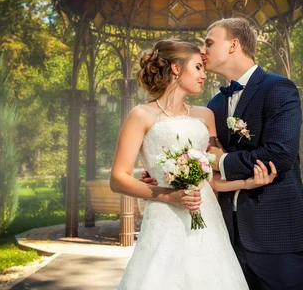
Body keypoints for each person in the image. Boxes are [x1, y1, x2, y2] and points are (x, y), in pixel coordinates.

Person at [110, 39, 277, 290]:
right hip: (164, 217)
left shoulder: (205, 115)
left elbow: (211, 180)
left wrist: (248, 182)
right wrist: (169, 196)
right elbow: (118, 178)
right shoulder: (141, 115)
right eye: (197, 67)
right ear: (176, 68)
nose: (203, 75)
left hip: (207, 218)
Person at [202, 17, 303, 289]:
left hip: (278, 235)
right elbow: (202, 156)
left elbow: (280, 154)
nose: (202, 51)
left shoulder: (278, 88)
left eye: (208, 43)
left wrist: (222, 162)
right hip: (228, 237)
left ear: (233, 45)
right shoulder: (215, 104)